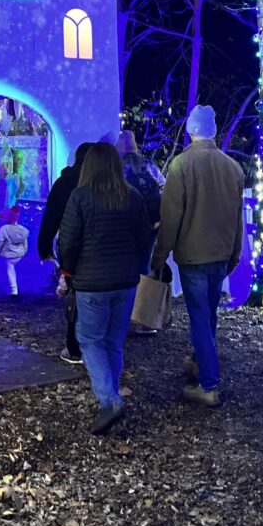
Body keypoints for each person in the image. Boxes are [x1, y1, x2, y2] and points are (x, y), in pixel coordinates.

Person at [151, 105, 244, 408]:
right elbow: (237, 217)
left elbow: (171, 216)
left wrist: (160, 254)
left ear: (192, 129)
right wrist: (235, 252)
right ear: (213, 131)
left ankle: (209, 384)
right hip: (221, 255)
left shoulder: (181, 165)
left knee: (200, 319)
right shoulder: (233, 168)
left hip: (193, 256)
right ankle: (200, 362)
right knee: (209, 315)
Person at [57, 143, 150, 434]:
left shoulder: (80, 197)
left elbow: (68, 241)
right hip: (125, 282)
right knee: (113, 340)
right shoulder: (132, 197)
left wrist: (67, 272)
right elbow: (145, 238)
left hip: (91, 282)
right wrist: (139, 267)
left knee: (90, 340)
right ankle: (111, 391)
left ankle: (109, 400)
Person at [38, 142, 94, 364]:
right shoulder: (102, 184)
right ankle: (92, 346)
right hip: (97, 249)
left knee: (75, 294)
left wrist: (44, 247)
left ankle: (74, 347)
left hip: (71, 246)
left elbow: (51, 216)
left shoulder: (65, 183)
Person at [117, 130, 163, 336]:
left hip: (125, 227)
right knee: (144, 269)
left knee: (122, 269)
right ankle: (144, 320)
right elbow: (164, 187)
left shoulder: (117, 168)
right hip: (151, 226)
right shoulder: (149, 166)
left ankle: (121, 317)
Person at [0, 205, 29, 297]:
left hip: (9, 257)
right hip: (20, 255)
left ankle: (14, 290)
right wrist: (23, 253)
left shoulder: (4, 229)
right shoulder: (23, 230)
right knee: (16, 271)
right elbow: (25, 245)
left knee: (10, 271)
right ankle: (21, 288)